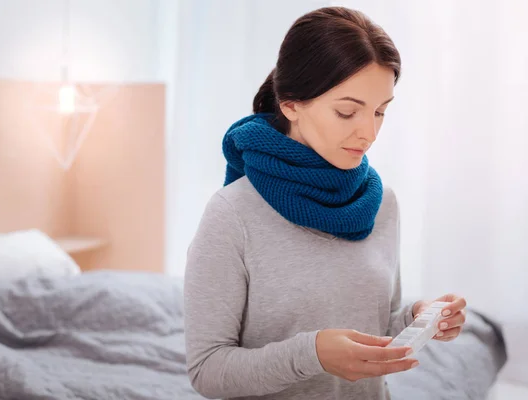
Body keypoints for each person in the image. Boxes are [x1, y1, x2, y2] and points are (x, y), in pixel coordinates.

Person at [184, 6, 467, 400]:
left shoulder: (381, 202)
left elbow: (376, 325)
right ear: (291, 104)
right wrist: (311, 354)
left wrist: (417, 320)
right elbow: (208, 371)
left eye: (380, 111)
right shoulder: (233, 213)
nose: (368, 133)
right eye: (347, 111)